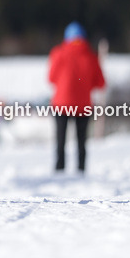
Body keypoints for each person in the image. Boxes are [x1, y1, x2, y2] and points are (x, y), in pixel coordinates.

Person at [48, 22, 105, 173]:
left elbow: (51, 78)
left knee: (61, 140)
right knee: (82, 141)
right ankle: (81, 169)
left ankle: (59, 169)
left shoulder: (58, 53)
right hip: (83, 105)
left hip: (61, 104)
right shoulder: (91, 56)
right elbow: (100, 83)